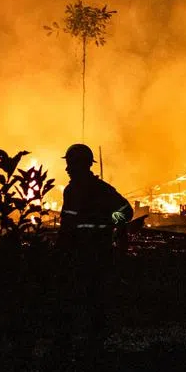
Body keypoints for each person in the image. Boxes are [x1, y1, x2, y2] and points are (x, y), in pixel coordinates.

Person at [58, 143, 133, 353]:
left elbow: (126, 212)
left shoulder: (83, 191)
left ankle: (90, 345)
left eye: (70, 164)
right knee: (90, 300)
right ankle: (91, 342)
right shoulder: (89, 190)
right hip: (91, 254)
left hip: (90, 255)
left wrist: (111, 220)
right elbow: (125, 213)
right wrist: (112, 220)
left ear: (80, 165)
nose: (67, 169)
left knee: (89, 299)